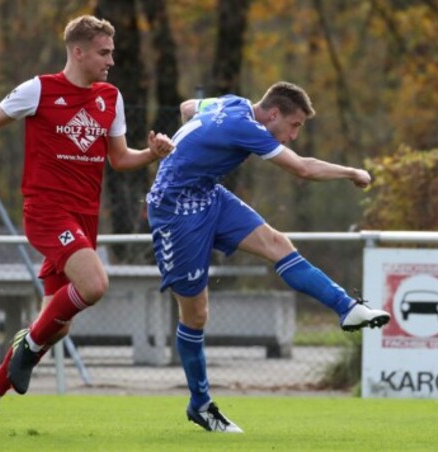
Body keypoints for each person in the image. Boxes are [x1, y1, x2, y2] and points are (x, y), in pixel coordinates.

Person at [0, 15, 174, 434]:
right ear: (78, 52)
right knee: (95, 285)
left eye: (112, 53)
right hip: (46, 211)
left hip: (83, 218)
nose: (111, 61)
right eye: (104, 52)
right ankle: (25, 346)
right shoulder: (38, 90)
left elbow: (120, 159)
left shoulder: (110, 97)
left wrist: (152, 154)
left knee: (56, 328)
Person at [146, 82, 391, 433]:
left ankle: (346, 308)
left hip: (208, 195)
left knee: (278, 243)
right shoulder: (244, 125)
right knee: (196, 314)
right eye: (294, 126)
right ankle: (200, 405)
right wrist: (351, 172)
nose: (292, 136)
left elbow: (188, 107)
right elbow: (303, 168)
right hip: (174, 212)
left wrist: (182, 144)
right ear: (273, 114)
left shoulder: (231, 104)